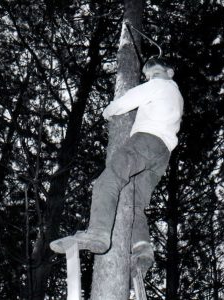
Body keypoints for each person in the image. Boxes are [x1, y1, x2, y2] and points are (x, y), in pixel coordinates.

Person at [50, 58, 184, 277]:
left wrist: (110, 110)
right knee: (134, 203)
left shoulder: (159, 85)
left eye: (156, 73)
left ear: (170, 72)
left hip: (146, 141)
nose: (152, 78)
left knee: (108, 180)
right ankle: (142, 247)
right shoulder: (177, 96)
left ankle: (98, 233)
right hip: (163, 154)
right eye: (149, 76)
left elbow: (132, 98)